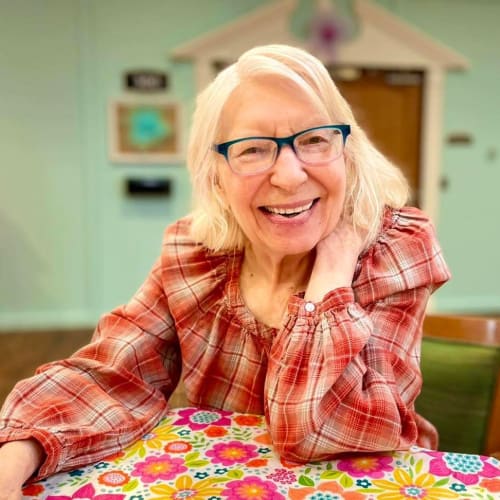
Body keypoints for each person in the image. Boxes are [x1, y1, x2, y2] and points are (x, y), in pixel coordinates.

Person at [0, 44, 450, 497]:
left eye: (315, 140)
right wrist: (14, 456)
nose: (290, 176)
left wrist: (332, 272)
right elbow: (115, 372)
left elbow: (319, 429)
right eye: (253, 149)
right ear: (216, 172)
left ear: (347, 152)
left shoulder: (394, 251)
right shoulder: (197, 254)